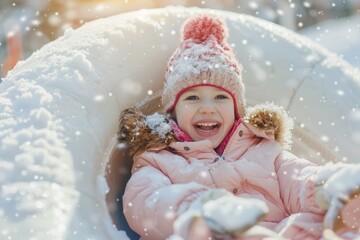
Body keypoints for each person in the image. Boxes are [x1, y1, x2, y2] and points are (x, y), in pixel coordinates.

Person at [118, 14, 360, 240]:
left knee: (312, 220)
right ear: (173, 110)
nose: (207, 108)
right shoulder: (159, 159)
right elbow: (145, 202)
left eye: (221, 97)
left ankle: (343, 201)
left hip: (278, 234)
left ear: (236, 110)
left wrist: (323, 186)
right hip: (208, 231)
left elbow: (298, 178)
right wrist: (201, 207)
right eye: (192, 98)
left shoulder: (263, 149)